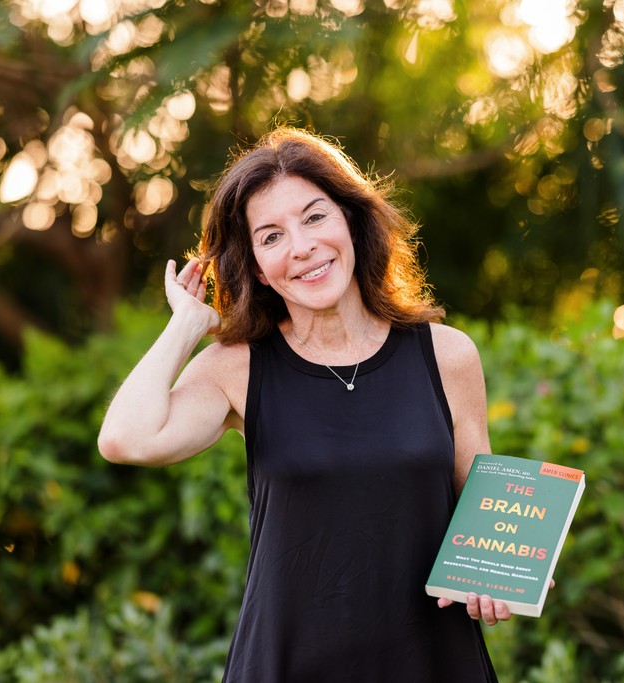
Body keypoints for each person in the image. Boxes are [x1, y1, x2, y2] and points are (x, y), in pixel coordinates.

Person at [97, 127, 510, 682]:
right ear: (256, 267)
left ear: (351, 221)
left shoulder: (448, 355)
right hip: (287, 666)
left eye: (314, 217)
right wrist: (187, 326)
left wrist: (505, 569)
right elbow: (126, 439)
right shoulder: (237, 368)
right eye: (270, 237)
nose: (301, 247)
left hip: (433, 664)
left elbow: (484, 514)